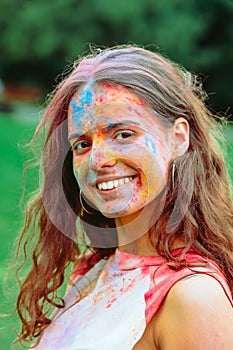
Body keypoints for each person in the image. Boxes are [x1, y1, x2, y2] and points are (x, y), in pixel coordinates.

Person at [15, 45, 233, 349]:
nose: (97, 161)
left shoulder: (193, 298)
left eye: (123, 134)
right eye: (82, 144)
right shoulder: (93, 271)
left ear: (178, 138)